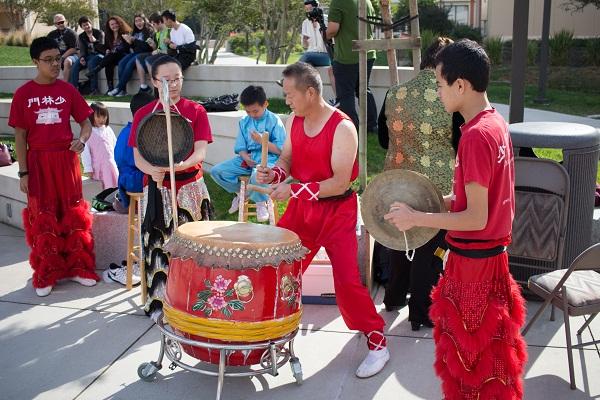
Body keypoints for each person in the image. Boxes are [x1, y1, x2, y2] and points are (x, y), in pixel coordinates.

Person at [384, 39, 527, 399]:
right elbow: (480, 200)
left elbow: (477, 217)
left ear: (460, 85)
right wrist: (434, 204)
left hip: (474, 269)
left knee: (472, 366)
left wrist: (419, 216)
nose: (437, 92)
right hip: (489, 262)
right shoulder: (495, 123)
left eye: (439, 84)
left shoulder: (476, 136)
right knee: (490, 365)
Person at [257, 62, 389, 379]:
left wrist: (291, 190)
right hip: (303, 212)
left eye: (290, 94)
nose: (286, 100)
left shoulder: (343, 127)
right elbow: (288, 158)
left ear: (311, 92)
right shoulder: (294, 120)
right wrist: (274, 173)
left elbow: (339, 183)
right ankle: (268, 335)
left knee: (346, 283)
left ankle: (377, 341)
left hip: (337, 213)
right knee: (277, 271)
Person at [376, 37, 465, 331]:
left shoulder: (394, 92)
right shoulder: (450, 98)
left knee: (401, 241)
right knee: (430, 249)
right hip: (435, 187)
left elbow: (383, 140)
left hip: (398, 182)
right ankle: (421, 313)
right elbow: (460, 141)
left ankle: (393, 298)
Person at [8, 36, 100, 297]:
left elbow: (86, 122)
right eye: (48, 60)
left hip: (66, 159)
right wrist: (23, 172)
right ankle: (47, 272)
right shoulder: (24, 94)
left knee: (72, 211)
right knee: (44, 213)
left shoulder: (68, 90)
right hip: (38, 161)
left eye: (57, 59)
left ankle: (79, 268)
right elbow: (20, 137)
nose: (55, 64)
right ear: (35, 61)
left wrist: (81, 141)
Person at [129, 56, 214, 319]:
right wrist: (151, 170)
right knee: (161, 247)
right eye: (166, 80)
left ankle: (197, 305)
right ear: (154, 82)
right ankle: (163, 304)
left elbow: (200, 152)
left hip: (189, 188)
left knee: (195, 247)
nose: (173, 85)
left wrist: (181, 165)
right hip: (158, 188)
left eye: (177, 78)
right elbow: (137, 156)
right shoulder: (145, 114)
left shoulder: (195, 111)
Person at [210, 85, 286, 222]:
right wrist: (245, 156)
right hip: (247, 159)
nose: (252, 115)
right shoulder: (244, 122)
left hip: (269, 158)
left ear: (265, 104)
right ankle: (241, 193)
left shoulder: (274, 121)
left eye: (255, 111)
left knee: (259, 174)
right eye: (248, 111)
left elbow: (281, 150)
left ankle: (260, 202)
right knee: (217, 171)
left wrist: (263, 141)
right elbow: (240, 146)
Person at [102, 92, 155, 286]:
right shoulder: (133, 134)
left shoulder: (135, 129)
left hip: (134, 179)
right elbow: (142, 165)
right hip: (134, 181)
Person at [326, 0, 377, 132]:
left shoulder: (338, 2)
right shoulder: (367, 1)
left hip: (347, 56)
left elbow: (332, 29)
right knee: (364, 89)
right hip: (368, 53)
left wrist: (324, 34)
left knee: (346, 93)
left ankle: (351, 128)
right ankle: (372, 125)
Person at [108, 13, 155, 97]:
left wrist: (134, 40)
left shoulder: (149, 30)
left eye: (140, 20)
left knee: (129, 64)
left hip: (145, 53)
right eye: (136, 21)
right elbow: (134, 46)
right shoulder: (135, 32)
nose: (138, 23)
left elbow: (147, 47)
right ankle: (123, 90)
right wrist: (129, 42)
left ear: (144, 21)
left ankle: (119, 88)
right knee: (121, 63)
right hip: (136, 53)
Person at [300, 0, 337, 105]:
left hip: (326, 55)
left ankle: (289, 76)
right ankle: (312, 100)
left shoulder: (326, 20)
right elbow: (305, 46)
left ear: (317, 8)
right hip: (311, 56)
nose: (308, 12)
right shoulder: (305, 23)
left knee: (306, 56)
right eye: (306, 10)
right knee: (307, 69)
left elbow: (332, 42)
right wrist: (304, 40)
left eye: (310, 9)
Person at [86, 16, 132, 94]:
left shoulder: (125, 33)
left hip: (124, 56)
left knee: (112, 54)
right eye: (112, 24)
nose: (114, 26)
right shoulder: (108, 35)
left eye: (116, 23)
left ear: (119, 23)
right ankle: (110, 87)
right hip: (113, 57)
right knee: (108, 63)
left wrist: (113, 51)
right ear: (109, 26)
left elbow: (126, 48)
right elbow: (105, 47)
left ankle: (96, 69)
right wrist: (104, 48)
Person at [81, 102, 118, 189]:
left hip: (111, 165)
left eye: (104, 116)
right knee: (102, 189)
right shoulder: (89, 132)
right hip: (98, 168)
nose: (102, 119)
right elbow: (85, 153)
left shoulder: (108, 129)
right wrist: (88, 168)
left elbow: (115, 145)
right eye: (98, 116)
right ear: (91, 116)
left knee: (114, 188)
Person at [136, 12, 170, 93]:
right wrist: (153, 45)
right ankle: (143, 86)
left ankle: (157, 88)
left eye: (154, 24)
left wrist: (159, 51)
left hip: (166, 55)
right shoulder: (157, 33)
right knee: (139, 57)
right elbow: (156, 48)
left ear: (159, 22)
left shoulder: (169, 31)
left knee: (149, 60)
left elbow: (171, 50)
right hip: (158, 53)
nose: (153, 26)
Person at [70, 16, 105, 95]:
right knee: (75, 65)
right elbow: (82, 50)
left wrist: (95, 41)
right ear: (81, 27)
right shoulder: (81, 36)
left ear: (91, 24)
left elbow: (102, 48)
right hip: (88, 56)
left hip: (99, 55)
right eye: (84, 25)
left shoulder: (99, 33)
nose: (86, 26)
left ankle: (94, 90)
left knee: (91, 63)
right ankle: (74, 89)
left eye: (87, 24)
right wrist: (82, 58)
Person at [47, 14, 79, 82]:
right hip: (58, 57)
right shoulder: (51, 35)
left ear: (66, 22)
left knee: (68, 61)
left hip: (73, 56)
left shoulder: (72, 33)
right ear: (55, 24)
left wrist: (62, 57)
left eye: (62, 22)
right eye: (58, 23)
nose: (61, 24)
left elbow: (74, 49)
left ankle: (65, 86)